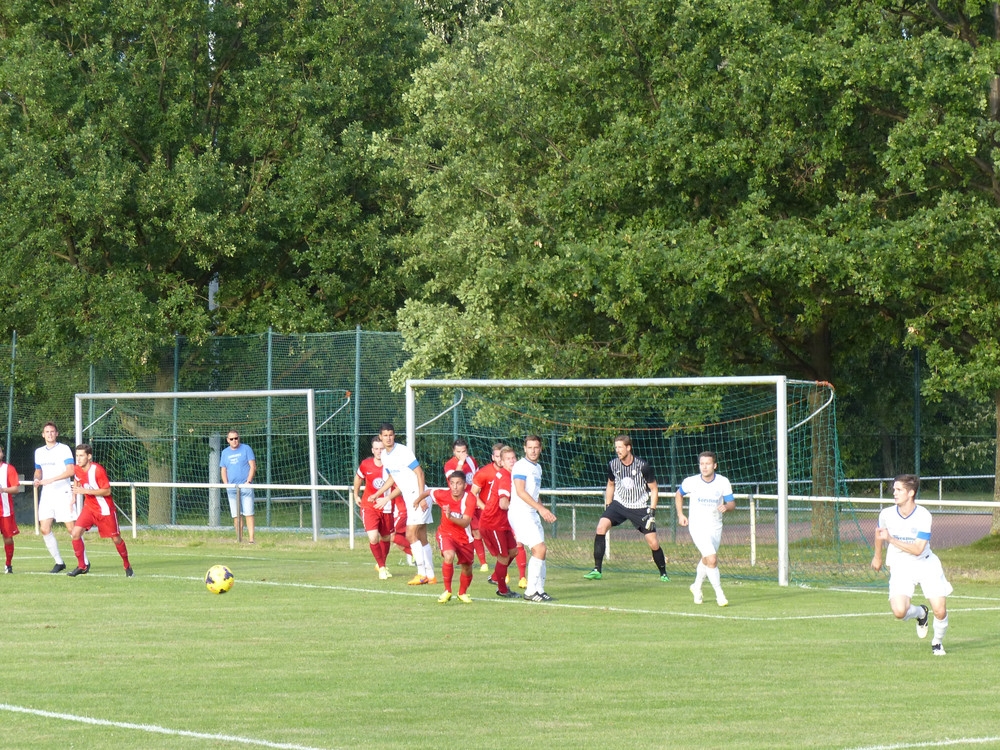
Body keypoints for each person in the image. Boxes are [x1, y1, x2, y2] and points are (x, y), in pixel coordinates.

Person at [871, 474, 952, 656]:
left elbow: (917, 549)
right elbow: (879, 534)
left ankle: (937, 642)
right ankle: (920, 613)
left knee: (940, 610)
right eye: (894, 489)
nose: (894, 493)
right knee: (899, 611)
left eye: (899, 490)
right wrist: (877, 557)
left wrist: (891, 539)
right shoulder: (886, 514)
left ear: (911, 493)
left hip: (925, 563)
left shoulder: (923, 515)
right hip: (901, 566)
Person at [584, 435, 669, 581]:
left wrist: (652, 511)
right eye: (616, 447)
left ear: (628, 448)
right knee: (600, 527)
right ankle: (597, 569)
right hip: (619, 504)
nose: (617, 450)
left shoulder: (643, 466)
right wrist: (608, 505)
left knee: (653, 542)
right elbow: (611, 484)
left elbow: (654, 489)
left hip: (639, 507)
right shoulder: (613, 464)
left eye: (620, 447)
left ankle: (663, 574)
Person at [369, 423, 435, 585]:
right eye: (385, 435)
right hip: (410, 497)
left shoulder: (403, 451)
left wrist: (421, 497)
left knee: (410, 534)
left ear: (394, 435)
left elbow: (420, 473)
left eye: (391, 435)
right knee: (421, 536)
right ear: (381, 437)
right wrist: (379, 495)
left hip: (418, 496)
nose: (388, 438)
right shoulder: (385, 456)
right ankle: (431, 575)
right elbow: (393, 479)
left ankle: (421, 574)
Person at [675, 451, 735, 607]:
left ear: (714, 465)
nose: (704, 467)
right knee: (712, 559)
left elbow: (731, 503)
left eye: (708, 464)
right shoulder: (691, 481)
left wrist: (726, 507)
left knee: (707, 558)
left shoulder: (723, 482)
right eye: (702, 464)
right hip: (697, 526)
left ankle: (696, 586)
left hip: (715, 526)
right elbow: (678, 494)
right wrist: (680, 514)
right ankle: (720, 595)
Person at [67, 444, 134, 577]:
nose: (78, 459)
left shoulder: (98, 470)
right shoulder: (77, 468)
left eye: (81, 456)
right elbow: (77, 479)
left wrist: (85, 491)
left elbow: (107, 491)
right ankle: (82, 566)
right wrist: (74, 497)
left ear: (89, 456)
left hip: (105, 510)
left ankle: (127, 565)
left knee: (116, 539)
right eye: (77, 455)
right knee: (75, 533)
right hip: (89, 508)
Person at [510, 435, 556, 602]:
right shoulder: (521, 466)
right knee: (540, 549)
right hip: (520, 513)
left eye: (536, 447)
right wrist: (541, 509)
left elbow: (534, 494)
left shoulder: (538, 467)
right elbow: (520, 491)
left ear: (540, 448)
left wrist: (542, 510)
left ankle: (539, 590)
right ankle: (530, 592)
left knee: (541, 551)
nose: (533, 451)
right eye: (530, 447)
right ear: (525, 448)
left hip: (531, 513)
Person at [473, 445, 520, 598]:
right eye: (507, 459)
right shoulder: (505, 477)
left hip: (501, 522)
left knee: (513, 551)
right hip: (493, 523)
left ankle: (495, 576)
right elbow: (503, 504)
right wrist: (519, 507)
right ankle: (502, 589)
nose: (511, 461)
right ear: (502, 462)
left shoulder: (505, 474)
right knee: (504, 557)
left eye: (513, 458)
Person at [34, 422, 79, 573]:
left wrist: (51, 479)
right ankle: (59, 562)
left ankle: (83, 562)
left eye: (52, 431)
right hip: (47, 494)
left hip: (62, 492)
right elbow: (38, 471)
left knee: (72, 529)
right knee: (44, 528)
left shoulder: (64, 449)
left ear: (57, 433)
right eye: (47, 432)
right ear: (43, 434)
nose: (50, 434)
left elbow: (71, 471)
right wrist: (37, 479)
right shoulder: (39, 452)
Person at [353, 436, 399, 580]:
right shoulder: (366, 464)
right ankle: (382, 568)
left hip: (386, 507)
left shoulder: (392, 466)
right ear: (372, 450)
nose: (379, 451)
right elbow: (358, 477)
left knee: (386, 537)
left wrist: (387, 499)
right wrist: (356, 495)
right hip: (369, 506)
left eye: (382, 449)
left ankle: (381, 564)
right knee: (373, 537)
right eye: (376, 449)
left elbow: (398, 486)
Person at [431, 471, 477, 603]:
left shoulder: (470, 499)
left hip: (464, 537)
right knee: (449, 556)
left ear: (465, 485)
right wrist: (419, 501)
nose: (455, 487)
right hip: (446, 533)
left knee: (467, 567)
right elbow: (428, 492)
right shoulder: (442, 494)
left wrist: (450, 517)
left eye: (458, 483)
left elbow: (466, 522)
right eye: (452, 483)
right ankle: (447, 591)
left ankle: (462, 593)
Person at [443, 439, 487, 571]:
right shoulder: (449, 465)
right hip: (461, 502)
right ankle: (482, 563)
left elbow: (478, 478)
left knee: (481, 530)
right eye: (458, 452)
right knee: (473, 531)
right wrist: (461, 462)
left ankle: (481, 561)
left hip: (475, 499)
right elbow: (454, 478)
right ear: (453, 451)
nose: (461, 454)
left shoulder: (472, 461)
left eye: (464, 451)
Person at [220, 430, 256, 543]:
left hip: (245, 486)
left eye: (236, 438)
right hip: (232, 488)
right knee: (236, 515)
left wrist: (248, 481)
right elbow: (223, 469)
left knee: (248, 513)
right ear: (228, 440)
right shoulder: (225, 452)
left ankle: (251, 539)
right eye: (231, 439)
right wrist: (226, 484)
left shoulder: (246, 449)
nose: (234, 441)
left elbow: (252, 466)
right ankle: (239, 539)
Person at [0, 446, 22, 574]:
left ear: (2, 454)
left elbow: (16, 488)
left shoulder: (9, 469)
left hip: (5, 511)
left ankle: (8, 564)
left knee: (8, 538)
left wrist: (3, 490)